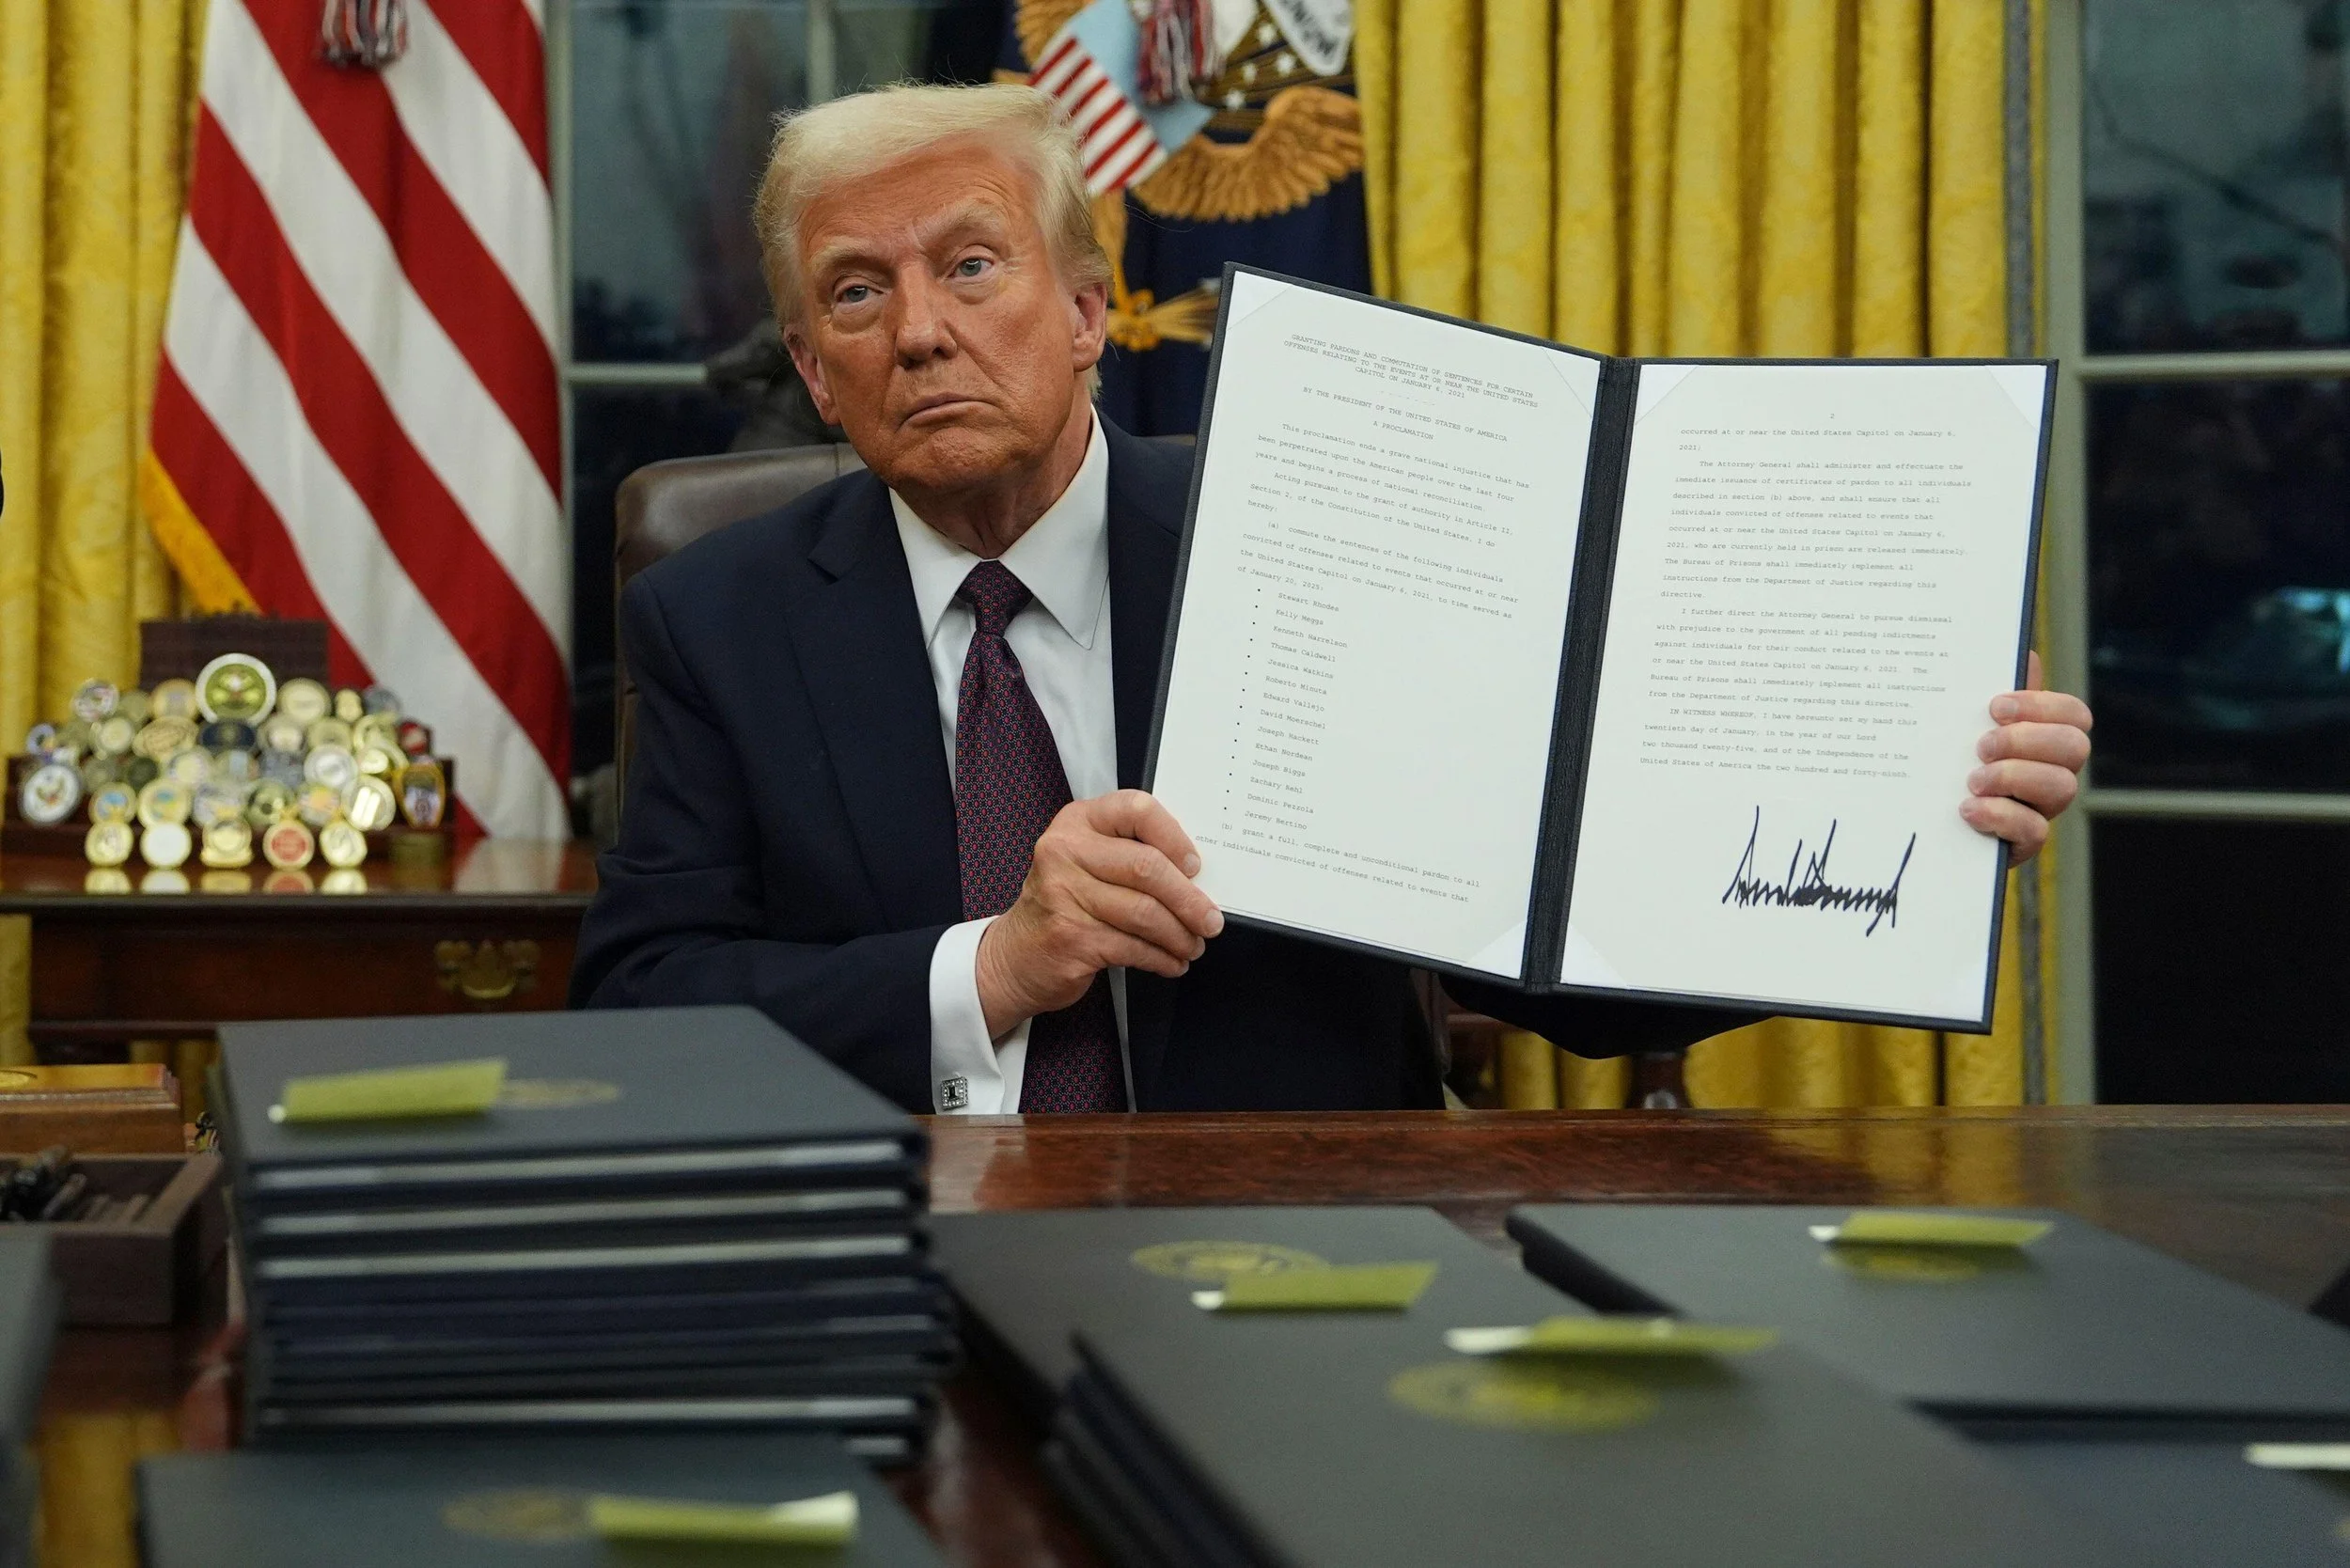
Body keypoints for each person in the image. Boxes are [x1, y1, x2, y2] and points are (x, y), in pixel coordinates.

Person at [570, 84, 2094, 1116]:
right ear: (815, 373)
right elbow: (646, 1013)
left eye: (972, 266)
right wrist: (996, 966)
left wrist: (1910, 819)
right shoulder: (718, 617)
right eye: (855, 294)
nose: (917, 332)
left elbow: (1565, 968)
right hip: (910, 1249)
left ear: (1090, 311)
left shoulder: (1325, 536)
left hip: (1327, 1252)